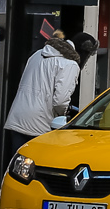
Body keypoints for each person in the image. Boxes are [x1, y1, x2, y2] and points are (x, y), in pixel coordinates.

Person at [5, 28, 80, 169]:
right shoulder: (70, 65)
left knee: (17, 170)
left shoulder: (36, 55)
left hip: (17, 117)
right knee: (37, 172)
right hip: (40, 125)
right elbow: (60, 101)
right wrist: (62, 115)